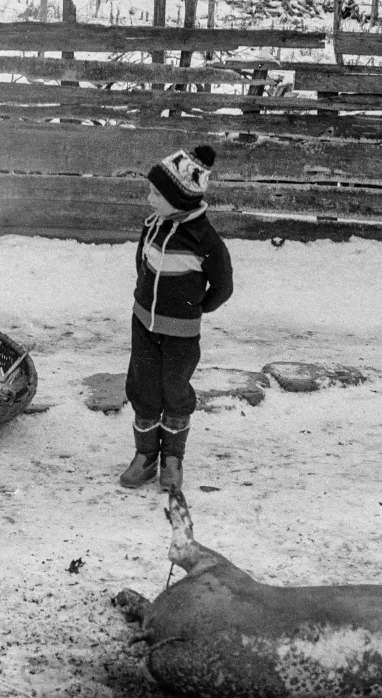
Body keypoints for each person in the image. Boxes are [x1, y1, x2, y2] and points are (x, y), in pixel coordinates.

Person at [119, 143, 234, 490]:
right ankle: (145, 457)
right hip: (143, 323)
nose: (150, 199)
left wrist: (197, 309)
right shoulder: (153, 224)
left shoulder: (206, 241)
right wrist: (144, 296)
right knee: (142, 387)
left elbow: (223, 286)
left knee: (174, 390)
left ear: (181, 199)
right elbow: (142, 260)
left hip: (181, 334)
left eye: (157, 193)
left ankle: (172, 459)